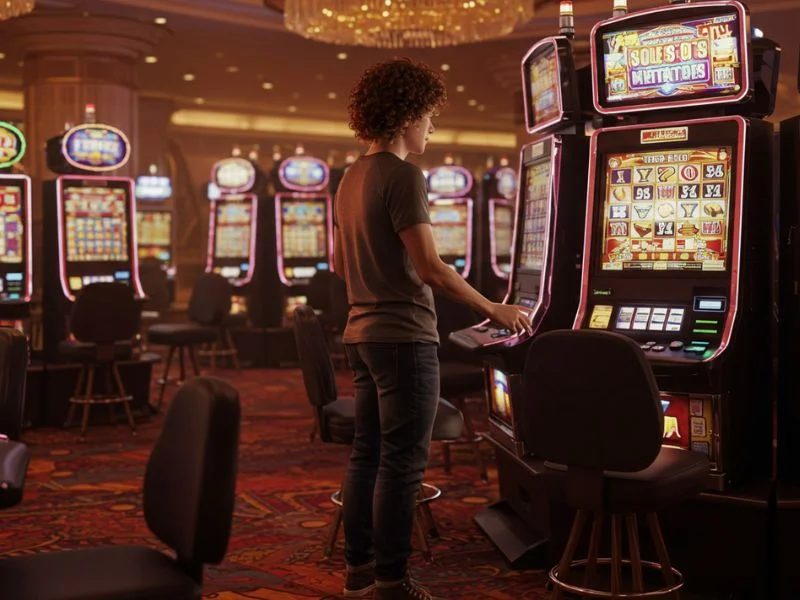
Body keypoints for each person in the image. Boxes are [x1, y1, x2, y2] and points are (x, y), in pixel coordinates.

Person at [332, 57, 533, 600]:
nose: (432, 127)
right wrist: (496, 309)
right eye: (428, 116)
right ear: (405, 117)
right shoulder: (401, 175)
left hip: (362, 333)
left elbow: (337, 263)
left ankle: (360, 572)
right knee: (401, 463)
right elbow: (431, 268)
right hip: (402, 336)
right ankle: (393, 581)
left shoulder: (351, 176)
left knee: (367, 455)